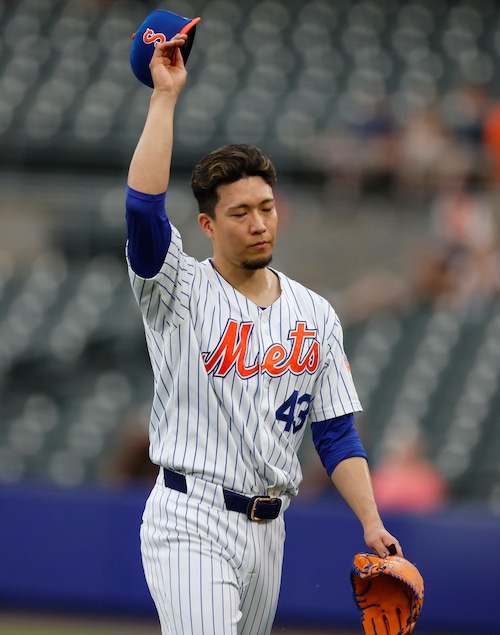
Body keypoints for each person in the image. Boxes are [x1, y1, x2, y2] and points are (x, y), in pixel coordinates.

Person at [125, 33, 402, 635]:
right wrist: (165, 98)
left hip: (269, 529)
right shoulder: (177, 290)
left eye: (267, 207)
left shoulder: (316, 313)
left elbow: (335, 434)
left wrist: (371, 521)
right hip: (190, 516)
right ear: (206, 224)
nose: (258, 223)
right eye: (240, 212)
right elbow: (144, 211)